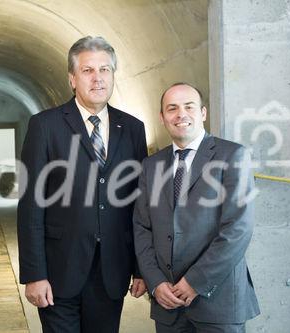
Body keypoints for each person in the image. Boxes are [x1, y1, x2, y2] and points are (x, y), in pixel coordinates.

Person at [17, 36, 148, 332]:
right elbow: (30, 205)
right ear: (72, 79)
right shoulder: (45, 126)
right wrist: (34, 274)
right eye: (88, 70)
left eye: (105, 70)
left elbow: (141, 205)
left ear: (113, 76)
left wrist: (141, 269)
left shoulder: (132, 128)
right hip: (58, 269)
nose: (98, 78)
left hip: (112, 270)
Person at [133, 82, 260, 332]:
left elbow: (238, 229)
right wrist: (156, 282)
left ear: (202, 113)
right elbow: (142, 228)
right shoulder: (151, 166)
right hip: (167, 303)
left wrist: (194, 282)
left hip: (218, 303)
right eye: (172, 108)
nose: (181, 114)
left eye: (189, 106)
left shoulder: (232, 156)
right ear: (162, 117)